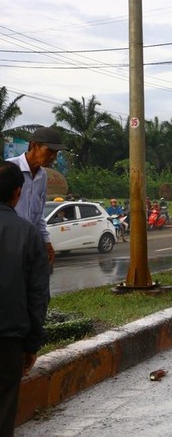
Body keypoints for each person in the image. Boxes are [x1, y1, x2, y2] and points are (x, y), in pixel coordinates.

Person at [0, 161, 51, 435]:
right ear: (17, 194)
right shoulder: (28, 234)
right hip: (9, 338)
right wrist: (32, 344)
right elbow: (38, 295)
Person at [6, 127, 67, 266]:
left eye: (56, 153)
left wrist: (47, 241)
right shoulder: (9, 168)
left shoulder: (43, 176)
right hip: (7, 242)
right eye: (49, 151)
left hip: (29, 243)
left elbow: (38, 213)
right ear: (34, 145)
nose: (53, 157)